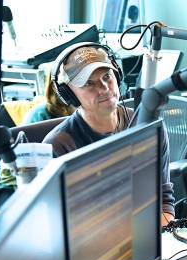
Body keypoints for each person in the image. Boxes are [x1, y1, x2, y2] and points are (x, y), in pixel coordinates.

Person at [43, 43, 175, 226]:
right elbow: (60, 225)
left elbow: (162, 197)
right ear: (69, 95)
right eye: (89, 83)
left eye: (107, 76)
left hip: (146, 234)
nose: (104, 88)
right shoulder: (59, 147)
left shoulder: (146, 125)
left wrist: (161, 236)